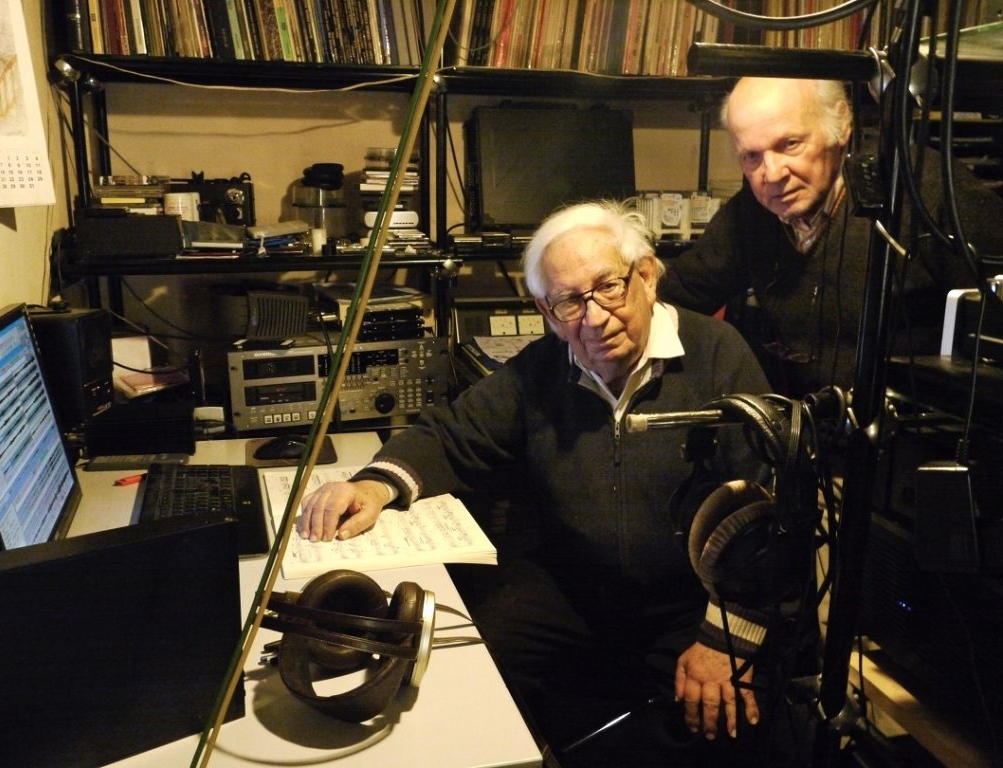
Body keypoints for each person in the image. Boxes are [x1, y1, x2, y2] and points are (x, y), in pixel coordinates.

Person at [296, 200, 813, 766]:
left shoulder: (720, 355)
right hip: (575, 584)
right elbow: (452, 433)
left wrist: (726, 635)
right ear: (546, 308)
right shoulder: (543, 366)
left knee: (702, 719)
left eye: (608, 288)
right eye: (569, 301)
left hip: (689, 598)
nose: (592, 318)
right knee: (466, 662)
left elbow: (771, 505)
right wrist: (373, 485)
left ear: (645, 276)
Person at [658, 77, 1003, 399]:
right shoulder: (750, 214)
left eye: (790, 144)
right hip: (806, 434)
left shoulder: (920, 188)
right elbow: (680, 292)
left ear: (840, 124)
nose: (772, 175)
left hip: (917, 432)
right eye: (752, 156)